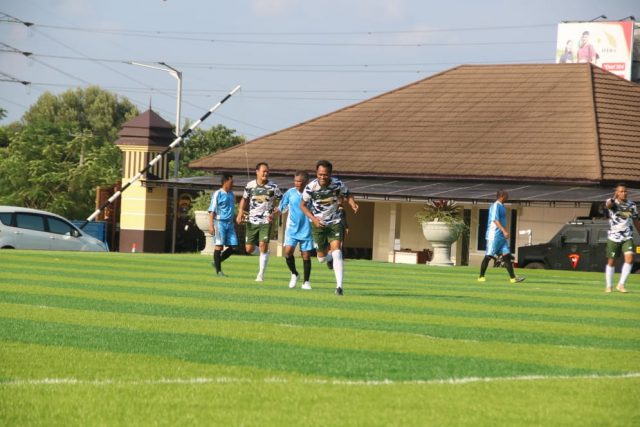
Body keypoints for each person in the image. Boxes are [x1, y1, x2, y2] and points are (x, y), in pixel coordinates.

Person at [301, 160, 358, 296]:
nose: (322, 177)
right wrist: (314, 219)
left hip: (335, 222)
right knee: (321, 258)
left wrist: (352, 203)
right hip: (318, 224)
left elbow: (348, 194)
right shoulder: (310, 187)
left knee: (337, 251)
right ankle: (329, 258)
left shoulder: (337, 184)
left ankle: (339, 287)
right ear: (316, 173)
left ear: (330, 174)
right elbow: (302, 205)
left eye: (325, 174)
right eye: (320, 174)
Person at [236, 162, 282, 282]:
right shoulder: (250, 185)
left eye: (267, 171)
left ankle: (260, 274)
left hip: (266, 220)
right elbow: (244, 199)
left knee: (262, 245)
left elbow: (282, 201)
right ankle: (264, 253)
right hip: (251, 221)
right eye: (263, 171)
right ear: (257, 172)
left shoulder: (273, 187)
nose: (265, 174)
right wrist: (240, 212)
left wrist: (277, 210)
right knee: (249, 249)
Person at [478, 189, 525, 284]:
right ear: (502, 196)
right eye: (506, 195)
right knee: (489, 256)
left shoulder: (502, 206)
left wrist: (503, 232)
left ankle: (513, 278)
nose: (508, 197)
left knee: (506, 256)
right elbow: (495, 220)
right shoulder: (495, 205)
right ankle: (481, 276)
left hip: (501, 236)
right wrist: (504, 231)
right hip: (494, 235)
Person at [280, 171, 313, 290]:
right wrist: (273, 213)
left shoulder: (311, 193)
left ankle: (306, 282)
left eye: (299, 181)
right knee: (288, 252)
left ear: (306, 182)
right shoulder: (290, 193)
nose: (297, 183)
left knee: (306, 255)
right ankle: (294, 273)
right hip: (292, 229)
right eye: (295, 181)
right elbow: (281, 207)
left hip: (306, 228)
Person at [604, 183, 639, 293]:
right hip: (614, 237)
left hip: (627, 237)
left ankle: (621, 284)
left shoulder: (632, 205)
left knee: (630, 259)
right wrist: (614, 198)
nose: (624, 193)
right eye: (621, 191)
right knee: (612, 262)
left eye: (625, 191)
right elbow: (608, 205)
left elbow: (636, 221)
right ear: (617, 193)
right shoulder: (613, 202)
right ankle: (609, 286)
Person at [208, 173, 238, 277]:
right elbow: (212, 210)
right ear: (225, 181)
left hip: (230, 224)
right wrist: (211, 225)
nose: (233, 183)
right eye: (231, 181)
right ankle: (219, 271)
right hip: (219, 223)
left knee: (234, 247)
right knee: (219, 246)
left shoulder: (231, 194)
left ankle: (217, 261)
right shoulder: (218, 194)